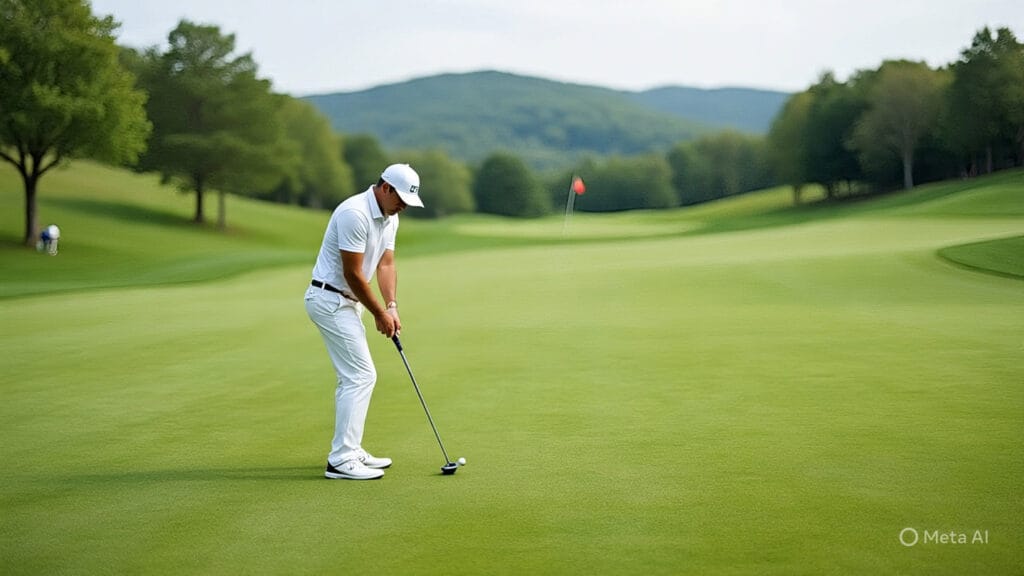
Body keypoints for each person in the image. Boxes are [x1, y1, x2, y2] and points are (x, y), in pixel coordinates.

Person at [304, 164, 424, 480]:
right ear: (385, 188)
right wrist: (379, 315)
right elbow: (353, 274)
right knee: (360, 375)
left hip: (347, 302)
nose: (403, 208)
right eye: (401, 199)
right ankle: (341, 459)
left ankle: (350, 449)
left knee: (357, 375)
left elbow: (386, 264)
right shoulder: (354, 213)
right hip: (329, 299)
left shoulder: (390, 218)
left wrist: (392, 306)